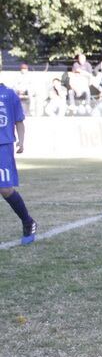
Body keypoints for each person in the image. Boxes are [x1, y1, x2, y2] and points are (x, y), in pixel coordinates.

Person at [0, 81, 37, 244]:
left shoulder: (9, 94)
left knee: (5, 189)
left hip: (3, 146)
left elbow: (19, 121)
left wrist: (21, 141)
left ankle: (28, 222)